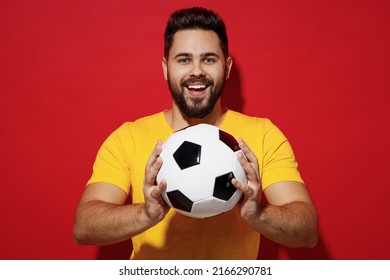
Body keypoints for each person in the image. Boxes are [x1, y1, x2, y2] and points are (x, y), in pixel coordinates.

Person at [73, 7, 318, 259]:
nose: (197, 71)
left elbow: (307, 231)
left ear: (227, 67)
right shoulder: (128, 138)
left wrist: (258, 214)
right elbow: (84, 227)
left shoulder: (263, 135)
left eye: (209, 59)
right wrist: (146, 213)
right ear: (166, 68)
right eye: (184, 59)